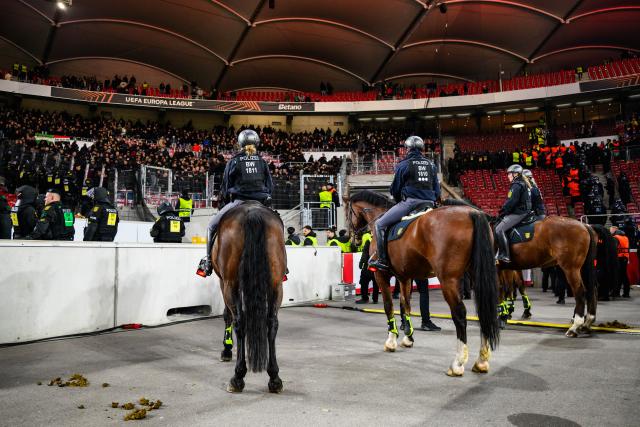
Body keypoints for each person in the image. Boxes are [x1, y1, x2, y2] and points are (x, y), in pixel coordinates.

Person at [197, 129, 273, 276]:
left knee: (211, 227)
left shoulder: (234, 161)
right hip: (261, 202)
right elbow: (270, 186)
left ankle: (207, 262)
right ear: (256, 143)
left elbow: (225, 187)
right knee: (278, 227)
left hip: (239, 201)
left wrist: (225, 202)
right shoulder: (262, 162)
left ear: (240, 144)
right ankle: (283, 268)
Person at [368, 136, 440, 271]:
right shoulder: (431, 165)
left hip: (410, 203)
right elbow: (437, 189)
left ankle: (382, 260)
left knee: (379, 224)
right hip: (430, 203)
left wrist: (399, 201)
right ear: (421, 149)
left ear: (407, 149)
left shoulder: (403, 165)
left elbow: (395, 189)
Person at [495, 164, 533, 263]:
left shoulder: (516, 185)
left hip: (519, 213)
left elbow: (511, 201)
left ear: (515, 174)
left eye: (509, 174)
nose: (508, 176)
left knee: (499, 229)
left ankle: (505, 255)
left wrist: (502, 211)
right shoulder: (524, 183)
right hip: (525, 211)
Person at [355, 230, 378, 304]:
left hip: (368, 265)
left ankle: (365, 298)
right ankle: (375, 299)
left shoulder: (369, 241)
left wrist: (361, 263)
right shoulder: (381, 241)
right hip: (377, 265)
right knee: (376, 283)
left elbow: (365, 253)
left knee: (364, 281)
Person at [611, 226, 630, 298]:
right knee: (624, 275)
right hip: (625, 257)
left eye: (611, 231)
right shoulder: (625, 237)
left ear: (614, 230)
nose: (610, 232)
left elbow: (614, 248)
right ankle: (626, 292)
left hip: (619, 258)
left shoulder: (616, 237)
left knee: (617, 275)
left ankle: (616, 292)